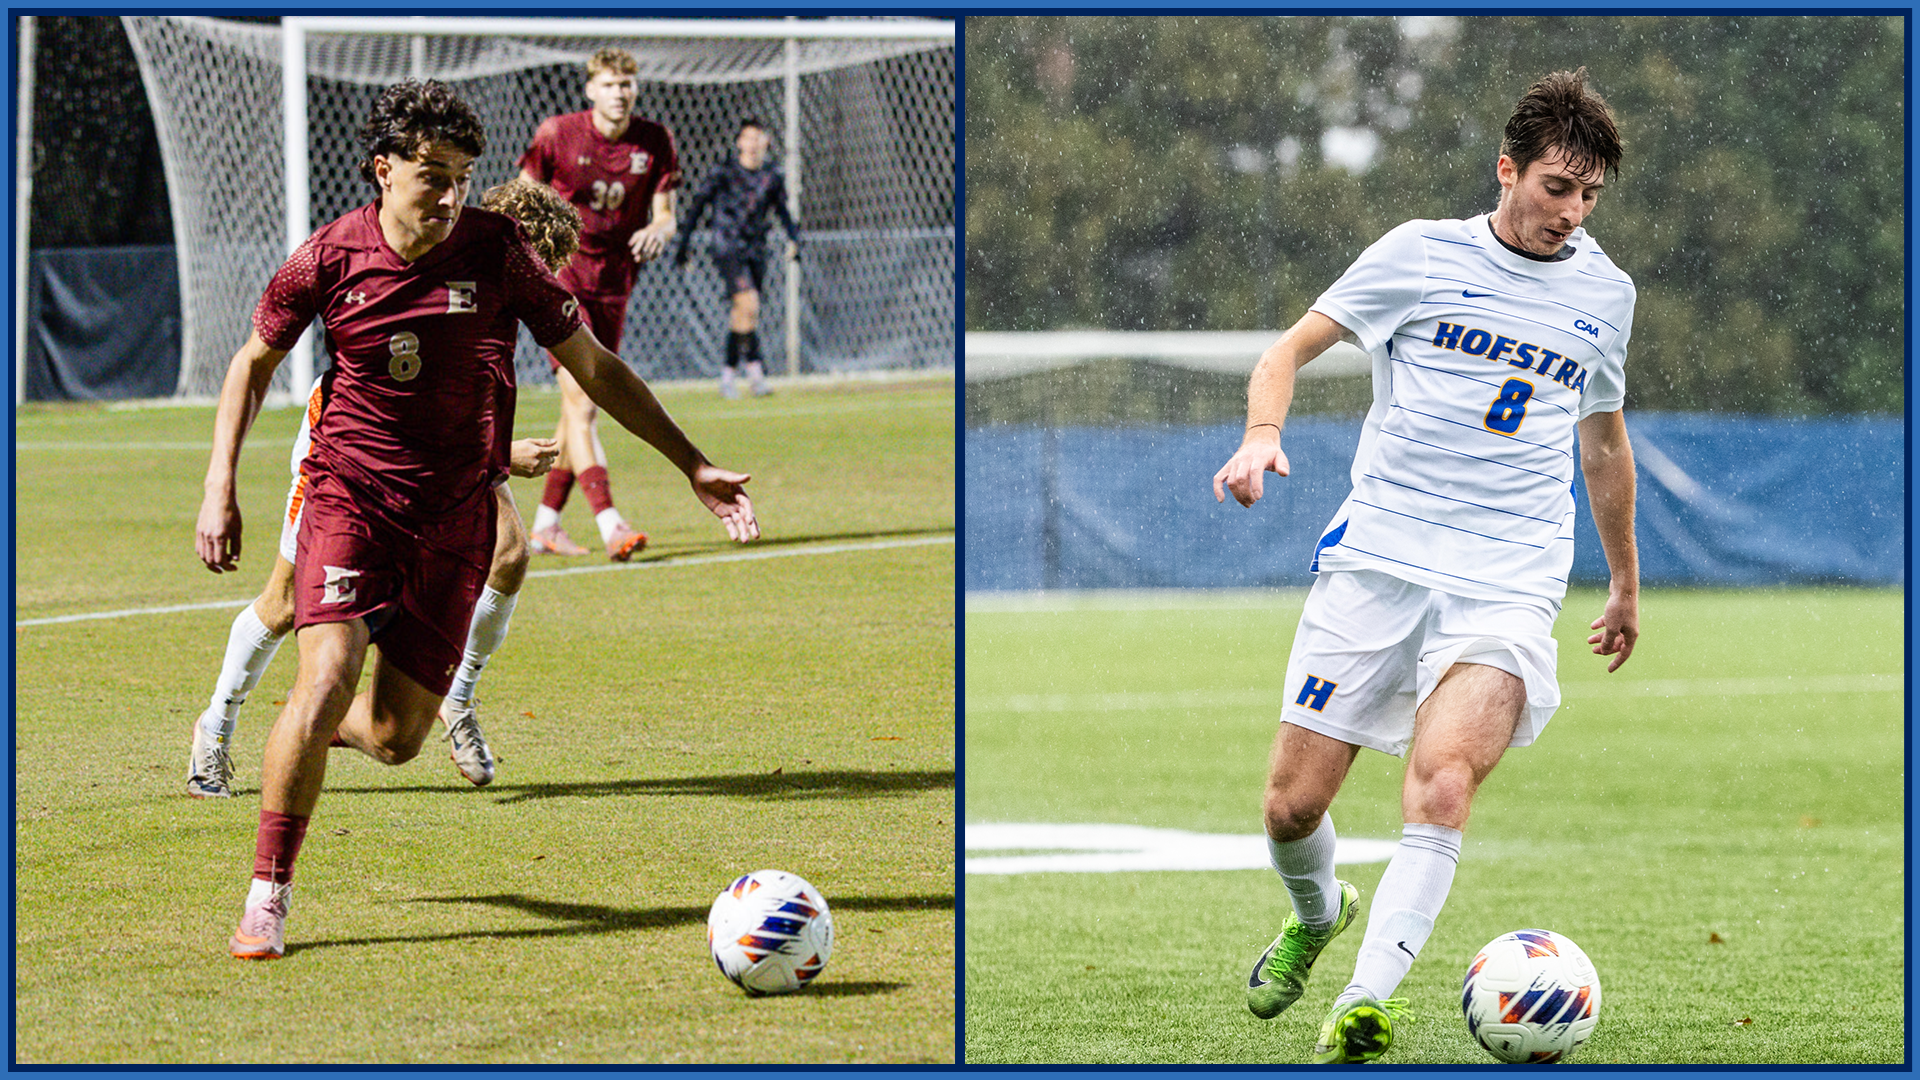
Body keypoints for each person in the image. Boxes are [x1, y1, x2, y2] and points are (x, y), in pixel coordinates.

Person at [195, 80, 758, 961]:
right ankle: (268, 895)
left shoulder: (498, 252)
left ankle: (302, 725)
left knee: (392, 739)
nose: (450, 193)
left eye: (462, 175)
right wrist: (218, 485)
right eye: (431, 174)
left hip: (456, 519)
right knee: (327, 672)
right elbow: (252, 363)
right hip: (352, 497)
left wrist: (691, 463)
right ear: (383, 170)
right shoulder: (328, 258)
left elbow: (595, 367)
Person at [1210, 68, 1639, 1064]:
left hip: (1509, 575)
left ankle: (1364, 1002)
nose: (1569, 215)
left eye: (1587, 197)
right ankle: (1319, 916)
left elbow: (1605, 445)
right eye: (1554, 189)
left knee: (1442, 788)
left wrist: (1620, 582)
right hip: (1381, 558)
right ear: (1507, 171)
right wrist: (1261, 435)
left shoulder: (1604, 296)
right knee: (1291, 806)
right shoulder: (1419, 256)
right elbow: (1284, 352)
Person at [186, 178, 587, 799]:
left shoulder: (503, 292)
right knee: (285, 602)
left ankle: (457, 698)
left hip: (449, 467)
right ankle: (215, 727)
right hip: (344, 449)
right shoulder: (430, 263)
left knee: (512, 551)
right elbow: (400, 408)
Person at [518, 47, 681, 561]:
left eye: (627, 84)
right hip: (560, 283)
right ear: (590, 90)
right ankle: (612, 524)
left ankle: (545, 524)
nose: (619, 92)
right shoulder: (557, 134)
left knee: (577, 410)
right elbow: (522, 201)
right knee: (585, 402)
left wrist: (659, 227)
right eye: (609, 84)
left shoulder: (654, 141)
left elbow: (667, 214)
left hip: (614, 284)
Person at [673, 117, 802, 399]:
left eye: (759, 138)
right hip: (727, 247)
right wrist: (684, 243)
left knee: (742, 314)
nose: (753, 144)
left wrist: (795, 239)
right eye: (748, 137)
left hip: (756, 250)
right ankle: (756, 374)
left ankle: (730, 377)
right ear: (739, 142)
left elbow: (782, 211)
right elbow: (697, 205)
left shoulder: (772, 176)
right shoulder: (724, 172)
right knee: (749, 304)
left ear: (766, 142)